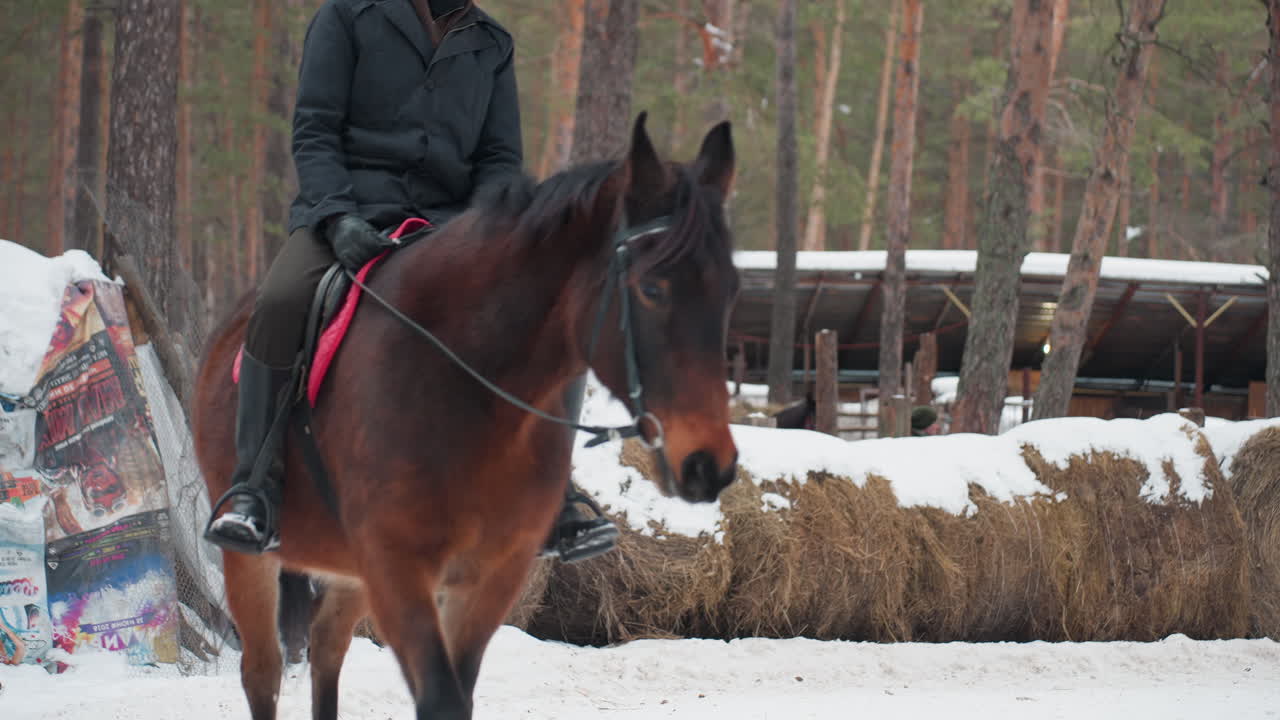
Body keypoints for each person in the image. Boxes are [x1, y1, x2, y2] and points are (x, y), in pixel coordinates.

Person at [205, 0, 617, 561]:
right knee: (281, 301)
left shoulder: (491, 43)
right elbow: (315, 130)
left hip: (451, 227)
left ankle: (553, 496)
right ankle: (254, 487)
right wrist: (335, 215)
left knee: (546, 315)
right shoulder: (346, 17)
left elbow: (500, 157)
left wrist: (489, 231)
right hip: (348, 215)